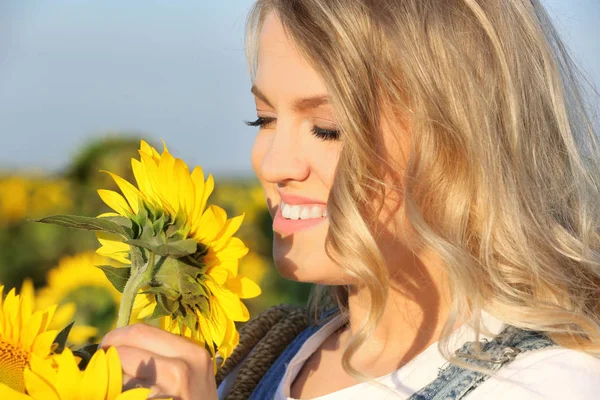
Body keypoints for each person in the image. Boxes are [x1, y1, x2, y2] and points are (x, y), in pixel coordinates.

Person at [100, 0, 600, 399]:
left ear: (463, 147)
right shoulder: (258, 357)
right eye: (265, 119)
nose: (274, 164)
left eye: (326, 128)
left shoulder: (545, 383)